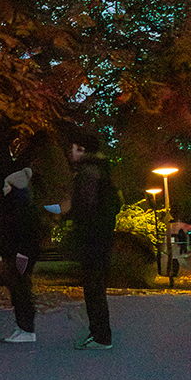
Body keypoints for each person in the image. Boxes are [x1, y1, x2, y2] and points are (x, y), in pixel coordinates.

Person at [63, 132, 120, 350]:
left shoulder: (87, 174)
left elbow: (84, 208)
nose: (71, 153)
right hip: (102, 238)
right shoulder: (104, 173)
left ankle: (100, 336)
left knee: (93, 288)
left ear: (84, 150)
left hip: (92, 239)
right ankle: (99, 333)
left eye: (75, 148)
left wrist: (69, 218)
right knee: (97, 287)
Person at [0, 168, 41, 343]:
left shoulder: (19, 204)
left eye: (7, 184)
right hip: (17, 252)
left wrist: (20, 253)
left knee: (21, 290)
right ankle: (23, 326)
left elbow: (21, 231)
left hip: (19, 253)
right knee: (19, 289)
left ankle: (26, 328)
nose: (4, 188)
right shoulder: (21, 202)